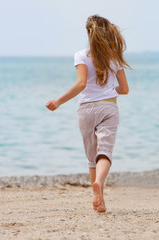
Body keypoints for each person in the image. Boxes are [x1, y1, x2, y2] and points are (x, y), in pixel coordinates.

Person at [45, 15, 130, 213]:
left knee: (91, 158)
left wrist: (58, 101)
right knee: (104, 153)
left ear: (88, 33)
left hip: (85, 110)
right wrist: (109, 89)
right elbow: (125, 89)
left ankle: (98, 200)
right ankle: (99, 183)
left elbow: (81, 84)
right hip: (108, 108)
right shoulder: (114, 57)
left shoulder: (80, 55)